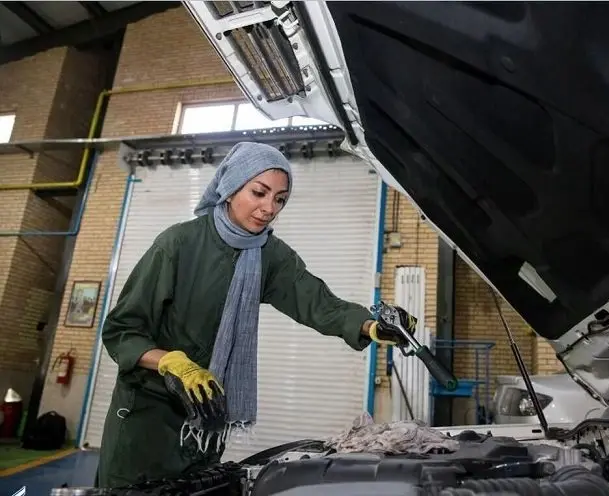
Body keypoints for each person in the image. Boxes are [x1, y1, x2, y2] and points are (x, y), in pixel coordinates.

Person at [96, 142, 414, 488]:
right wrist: (171, 362)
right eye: (259, 193)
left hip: (207, 416)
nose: (269, 208)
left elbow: (319, 303)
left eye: (280, 199)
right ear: (230, 188)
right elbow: (121, 330)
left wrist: (371, 326)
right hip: (147, 416)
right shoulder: (178, 244)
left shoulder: (269, 255)